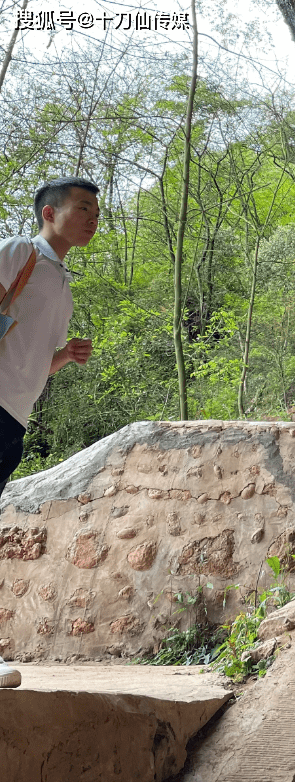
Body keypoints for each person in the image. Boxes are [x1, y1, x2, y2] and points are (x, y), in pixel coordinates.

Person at [0, 176, 99, 689]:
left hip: (14, 417)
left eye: (96, 211)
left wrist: (64, 356)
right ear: (48, 213)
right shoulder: (20, 252)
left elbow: (36, 361)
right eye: (82, 208)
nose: (92, 218)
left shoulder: (60, 282)